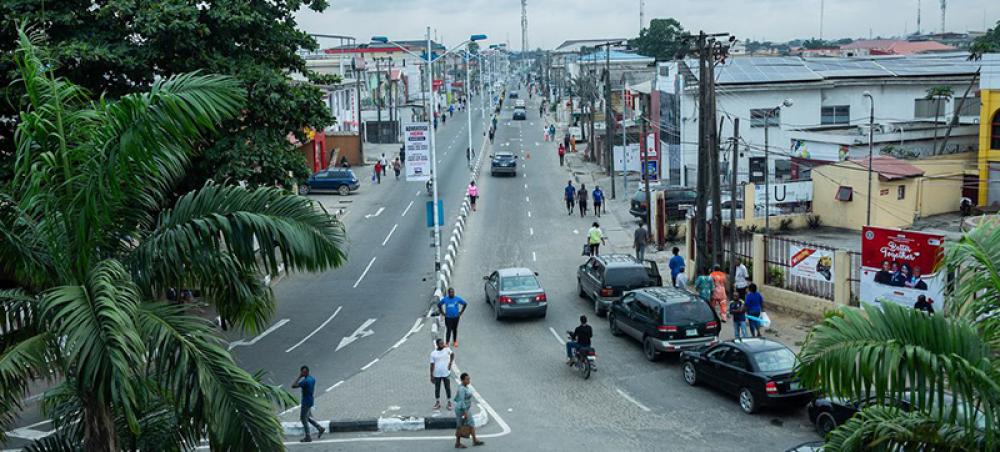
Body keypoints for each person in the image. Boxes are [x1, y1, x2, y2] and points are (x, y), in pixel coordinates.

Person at [292, 366, 325, 442]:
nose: (303, 373)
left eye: (303, 372)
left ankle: (308, 436)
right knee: (306, 417)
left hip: (305, 401)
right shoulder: (312, 379)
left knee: (303, 419)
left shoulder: (305, 381)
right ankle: (320, 428)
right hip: (310, 400)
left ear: (305, 372)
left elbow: (293, 385)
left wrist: (299, 377)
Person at [453, 373, 484, 448]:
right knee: (460, 425)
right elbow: (461, 401)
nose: (469, 380)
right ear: (462, 380)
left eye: (469, 379)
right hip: (461, 410)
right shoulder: (462, 389)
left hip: (465, 409)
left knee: (471, 423)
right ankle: (458, 443)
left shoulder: (465, 387)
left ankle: (474, 440)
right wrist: (465, 412)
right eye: (467, 379)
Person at [430, 338, 455, 410]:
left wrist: (450, 363)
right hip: (437, 374)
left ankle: (449, 402)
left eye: (443, 343)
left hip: (446, 373)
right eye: (441, 343)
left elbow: (452, 355)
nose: (443, 344)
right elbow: (431, 365)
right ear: (437, 344)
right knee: (437, 388)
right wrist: (431, 375)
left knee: (447, 388)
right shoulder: (433, 353)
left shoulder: (447, 349)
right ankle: (437, 402)